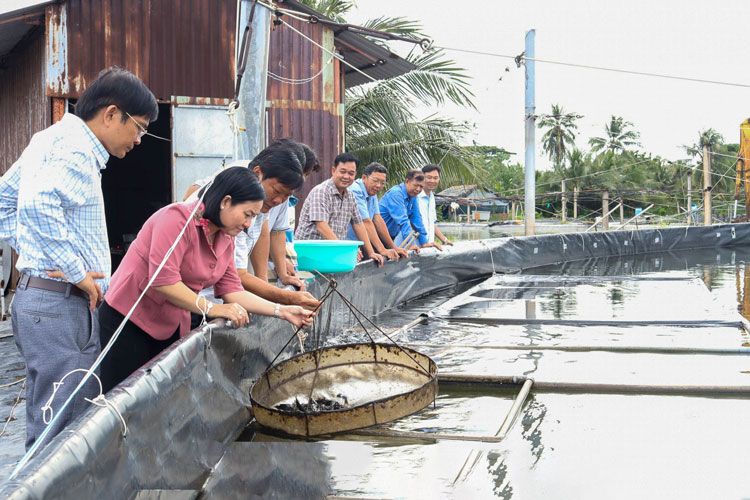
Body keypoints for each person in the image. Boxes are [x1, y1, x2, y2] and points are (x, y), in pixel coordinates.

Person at [0, 67, 158, 449]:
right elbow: (37, 206)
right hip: (59, 303)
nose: (139, 140)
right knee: (62, 425)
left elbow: (6, 200)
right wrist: (76, 273)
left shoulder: (56, 139)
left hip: (53, 300)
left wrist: (40, 252)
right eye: (138, 127)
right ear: (110, 114)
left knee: (67, 414)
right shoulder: (72, 148)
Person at [98, 167, 314, 392]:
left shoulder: (225, 236)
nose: (249, 224)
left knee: (160, 394)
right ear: (226, 201)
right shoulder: (177, 219)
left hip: (170, 321)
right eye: (247, 214)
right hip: (129, 320)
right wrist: (214, 309)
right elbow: (163, 280)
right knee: (124, 396)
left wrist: (283, 311)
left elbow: (232, 290)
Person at [185, 141, 319, 313]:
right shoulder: (235, 208)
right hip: (191, 304)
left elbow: (231, 285)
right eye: (277, 191)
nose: (278, 201)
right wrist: (286, 299)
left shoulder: (254, 207)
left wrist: (277, 303)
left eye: (286, 195)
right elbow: (166, 282)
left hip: (202, 304)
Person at [251, 141, 321, 288]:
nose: (279, 200)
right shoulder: (243, 188)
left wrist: (281, 275)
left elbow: (273, 232)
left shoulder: (267, 207)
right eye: (276, 191)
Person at [295, 153, 385, 266]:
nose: (346, 177)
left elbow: (359, 224)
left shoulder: (350, 196)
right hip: (309, 255)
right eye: (342, 172)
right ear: (334, 170)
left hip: (332, 255)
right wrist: (344, 250)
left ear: (355, 175)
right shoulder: (321, 192)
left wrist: (371, 252)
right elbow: (321, 226)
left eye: (351, 173)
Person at [345, 162, 408, 261]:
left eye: (382, 183)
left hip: (362, 243)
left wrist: (393, 247)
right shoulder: (355, 190)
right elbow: (366, 222)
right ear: (364, 177)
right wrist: (382, 250)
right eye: (375, 181)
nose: (378, 185)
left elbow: (378, 219)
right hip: (347, 245)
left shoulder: (372, 192)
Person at [379, 169, 442, 251]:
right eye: (416, 185)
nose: (418, 189)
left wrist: (424, 242)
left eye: (421, 187)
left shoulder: (413, 196)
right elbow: (403, 221)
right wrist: (412, 244)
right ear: (407, 181)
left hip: (389, 237)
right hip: (376, 236)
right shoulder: (396, 193)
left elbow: (417, 219)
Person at [417, 164, 453, 248]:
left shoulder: (432, 197)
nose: (432, 181)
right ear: (422, 178)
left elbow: (431, 223)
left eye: (435, 178)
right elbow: (412, 222)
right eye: (429, 177)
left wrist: (444, 240)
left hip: (428, 247)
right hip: (413, 246)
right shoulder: (415, 196)